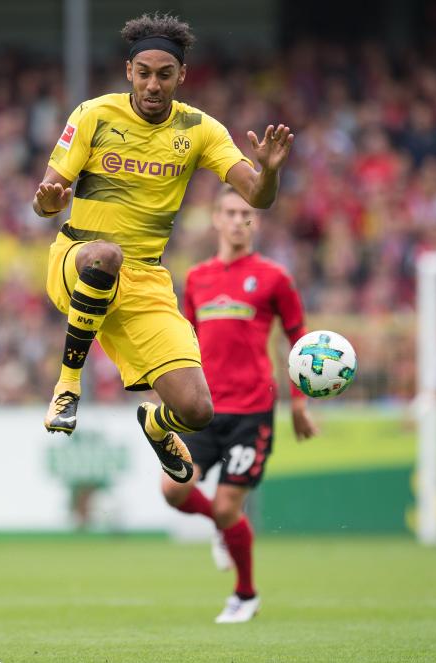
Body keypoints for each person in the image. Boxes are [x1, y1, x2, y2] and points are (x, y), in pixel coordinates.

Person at [33, 12, 294, 484]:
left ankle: (155, 425)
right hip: (78, 260)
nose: (153, 85)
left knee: (197, 410)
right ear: (128, 70)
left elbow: (258, 196)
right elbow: (48, 198)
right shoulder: (93, 115)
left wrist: (270, 170)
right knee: (105, 255)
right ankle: (68, 385)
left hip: (146, 282)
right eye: (144, 73)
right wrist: (49, 204)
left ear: (182, 76)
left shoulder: (200, 130)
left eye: (165, 74)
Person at [163, 186, 317, 623]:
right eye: (229, 212)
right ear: (215, 218)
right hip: (203, 408)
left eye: (245, 213)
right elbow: (184, 342)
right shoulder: (197, 278)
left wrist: (300, 403)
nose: (236, 220)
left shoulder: (273, 277)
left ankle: (245, 594)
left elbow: (298, 338)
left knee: (230, 504)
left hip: (252, 409)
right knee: (173, 489)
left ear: (255, 221)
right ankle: (223, 528)